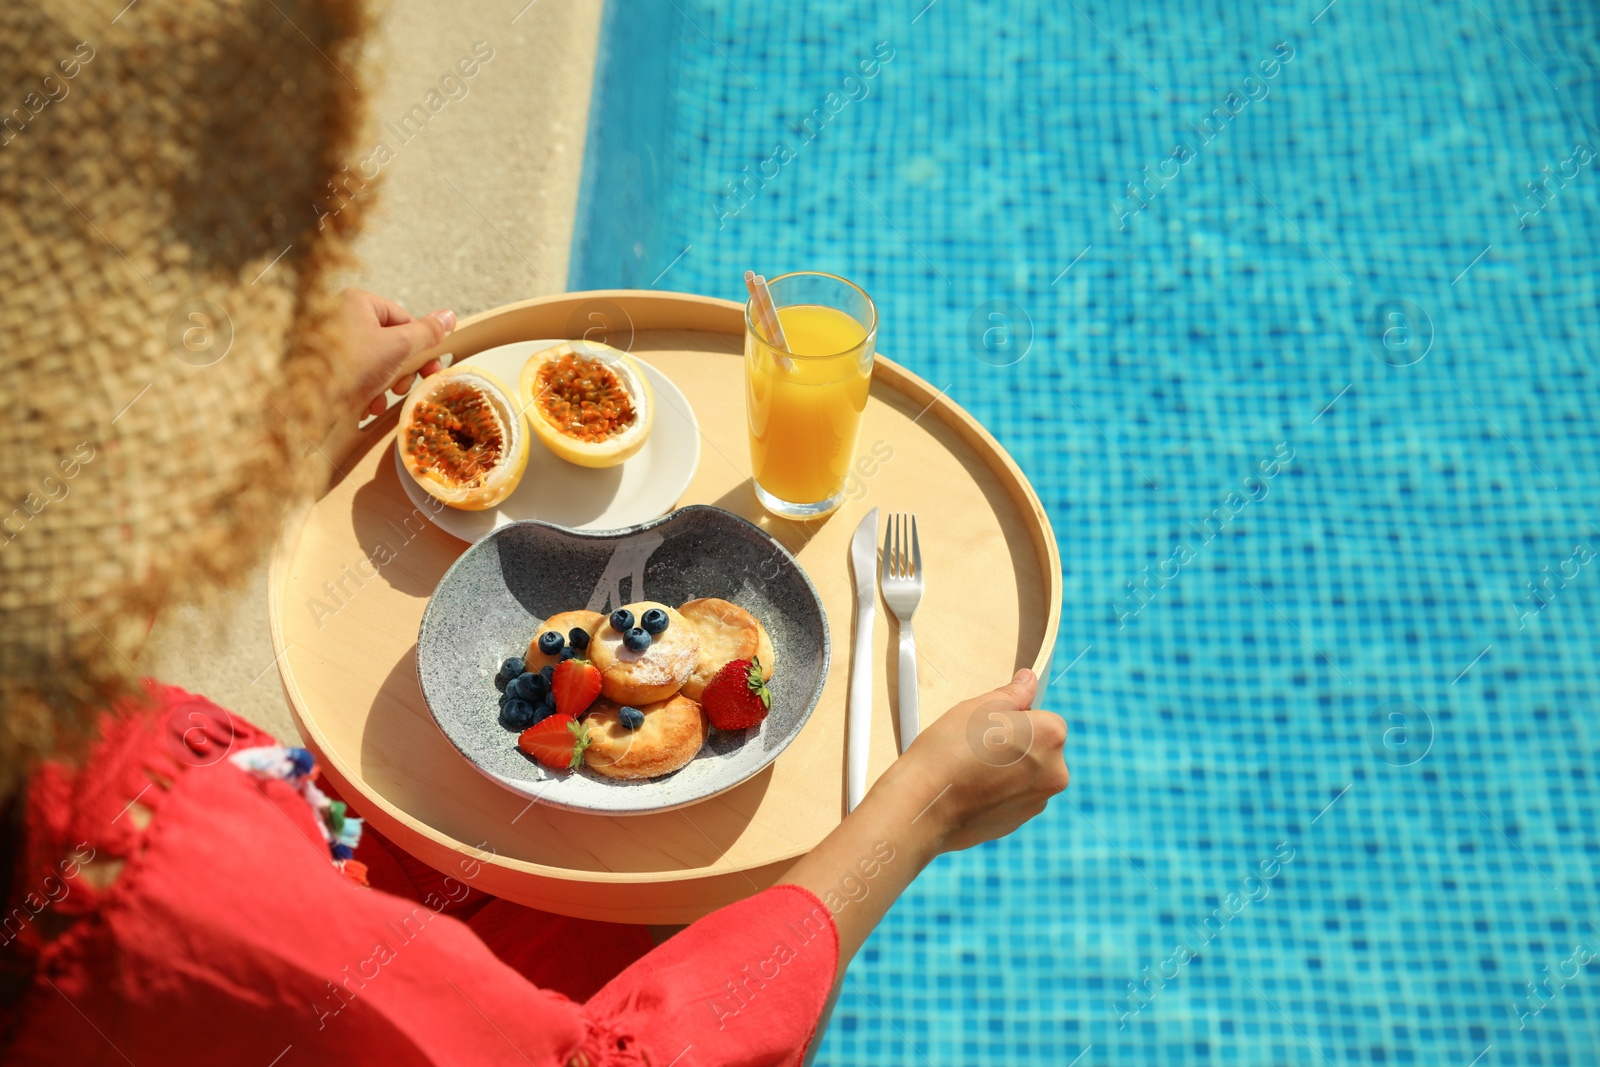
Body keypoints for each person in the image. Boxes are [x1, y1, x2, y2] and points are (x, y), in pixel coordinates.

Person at [0, 2, 1068, 1064]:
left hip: (324, 885)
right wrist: (918, 807)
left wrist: (282, 413)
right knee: (706, 934)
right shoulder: (161, 903)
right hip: (324, 966)